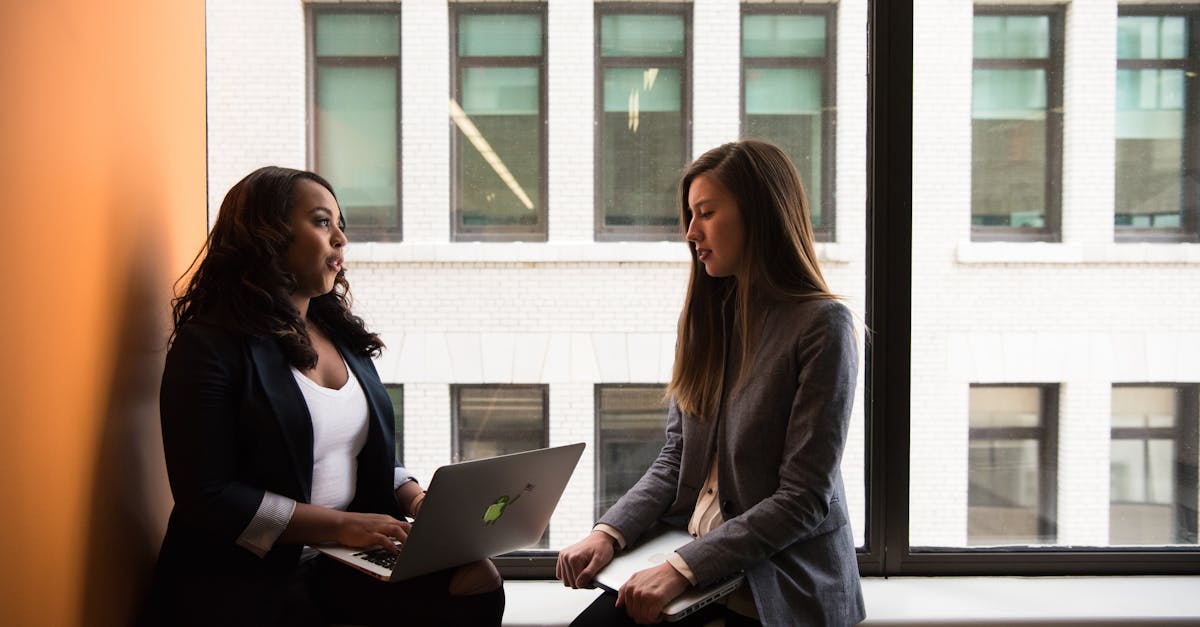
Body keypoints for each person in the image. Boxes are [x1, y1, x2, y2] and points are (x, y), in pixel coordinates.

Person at [141, 166, 505, 626]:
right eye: (320, 222)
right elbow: (207, 496)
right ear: (266, 236)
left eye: (340, 225)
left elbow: (352, 451)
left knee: (477, 581)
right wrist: (343, 526)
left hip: (338, 559)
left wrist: (416, 498)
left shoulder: (339, 336)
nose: (340, 239)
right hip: (249, 574)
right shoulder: (208, 346)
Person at [556, 140, 865, 626]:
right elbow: (676, 458)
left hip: (776, 575)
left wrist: (682, 570)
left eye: (706, 213)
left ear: (759, 215)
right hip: (692, 555)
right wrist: (608, 533)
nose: (690, 231)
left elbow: (804, 499)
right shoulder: (704, 320)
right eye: (689, 214)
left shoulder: (823, 326)